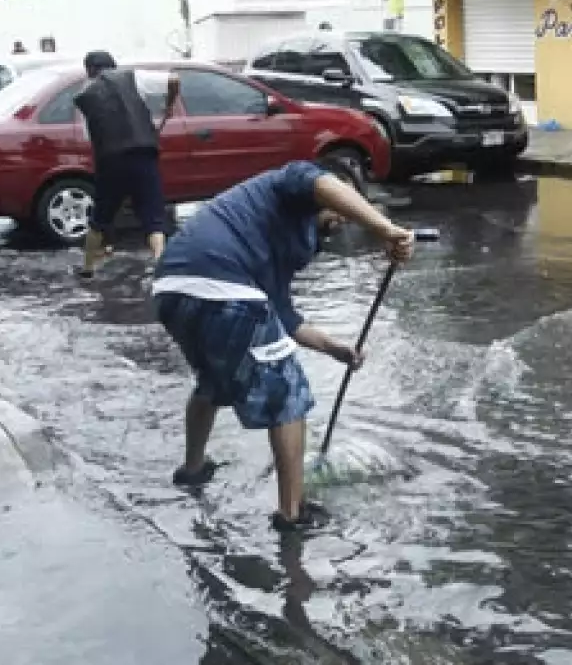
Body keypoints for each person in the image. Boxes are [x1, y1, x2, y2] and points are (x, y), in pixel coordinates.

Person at [153, 161, 415, 532]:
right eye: (343, 205)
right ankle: (292, 515)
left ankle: (193, 469)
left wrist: (337, 349)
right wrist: (386, 230)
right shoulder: (293, 179)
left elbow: (283, 316)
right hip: (220, 281)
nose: (343, 218)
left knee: (213, 382)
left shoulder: (280, 239)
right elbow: (322, 184)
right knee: (290, 395)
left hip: (172, 289)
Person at [72, 51, 173, 277]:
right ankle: (161, 266)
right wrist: (169, 108)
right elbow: (173, 79)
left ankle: (87, 268)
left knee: (99, 219)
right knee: (154, 218)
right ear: (114, 65)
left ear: (88, 71)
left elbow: (90, 137)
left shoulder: (84, 96)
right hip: (143, 155)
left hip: (110, 161)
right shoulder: (133, 77)